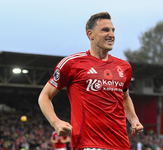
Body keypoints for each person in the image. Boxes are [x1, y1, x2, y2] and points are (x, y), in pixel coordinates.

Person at [38, 12, 143, 150]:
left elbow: (124, 98)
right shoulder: (72, 64)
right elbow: (44, 97)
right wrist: (56, 122)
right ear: (90, 34)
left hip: (121, 144)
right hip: (88, 144)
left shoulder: (124, 67)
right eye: (105, 30)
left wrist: (134, 120)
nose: (111, 34)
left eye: (113, 30)